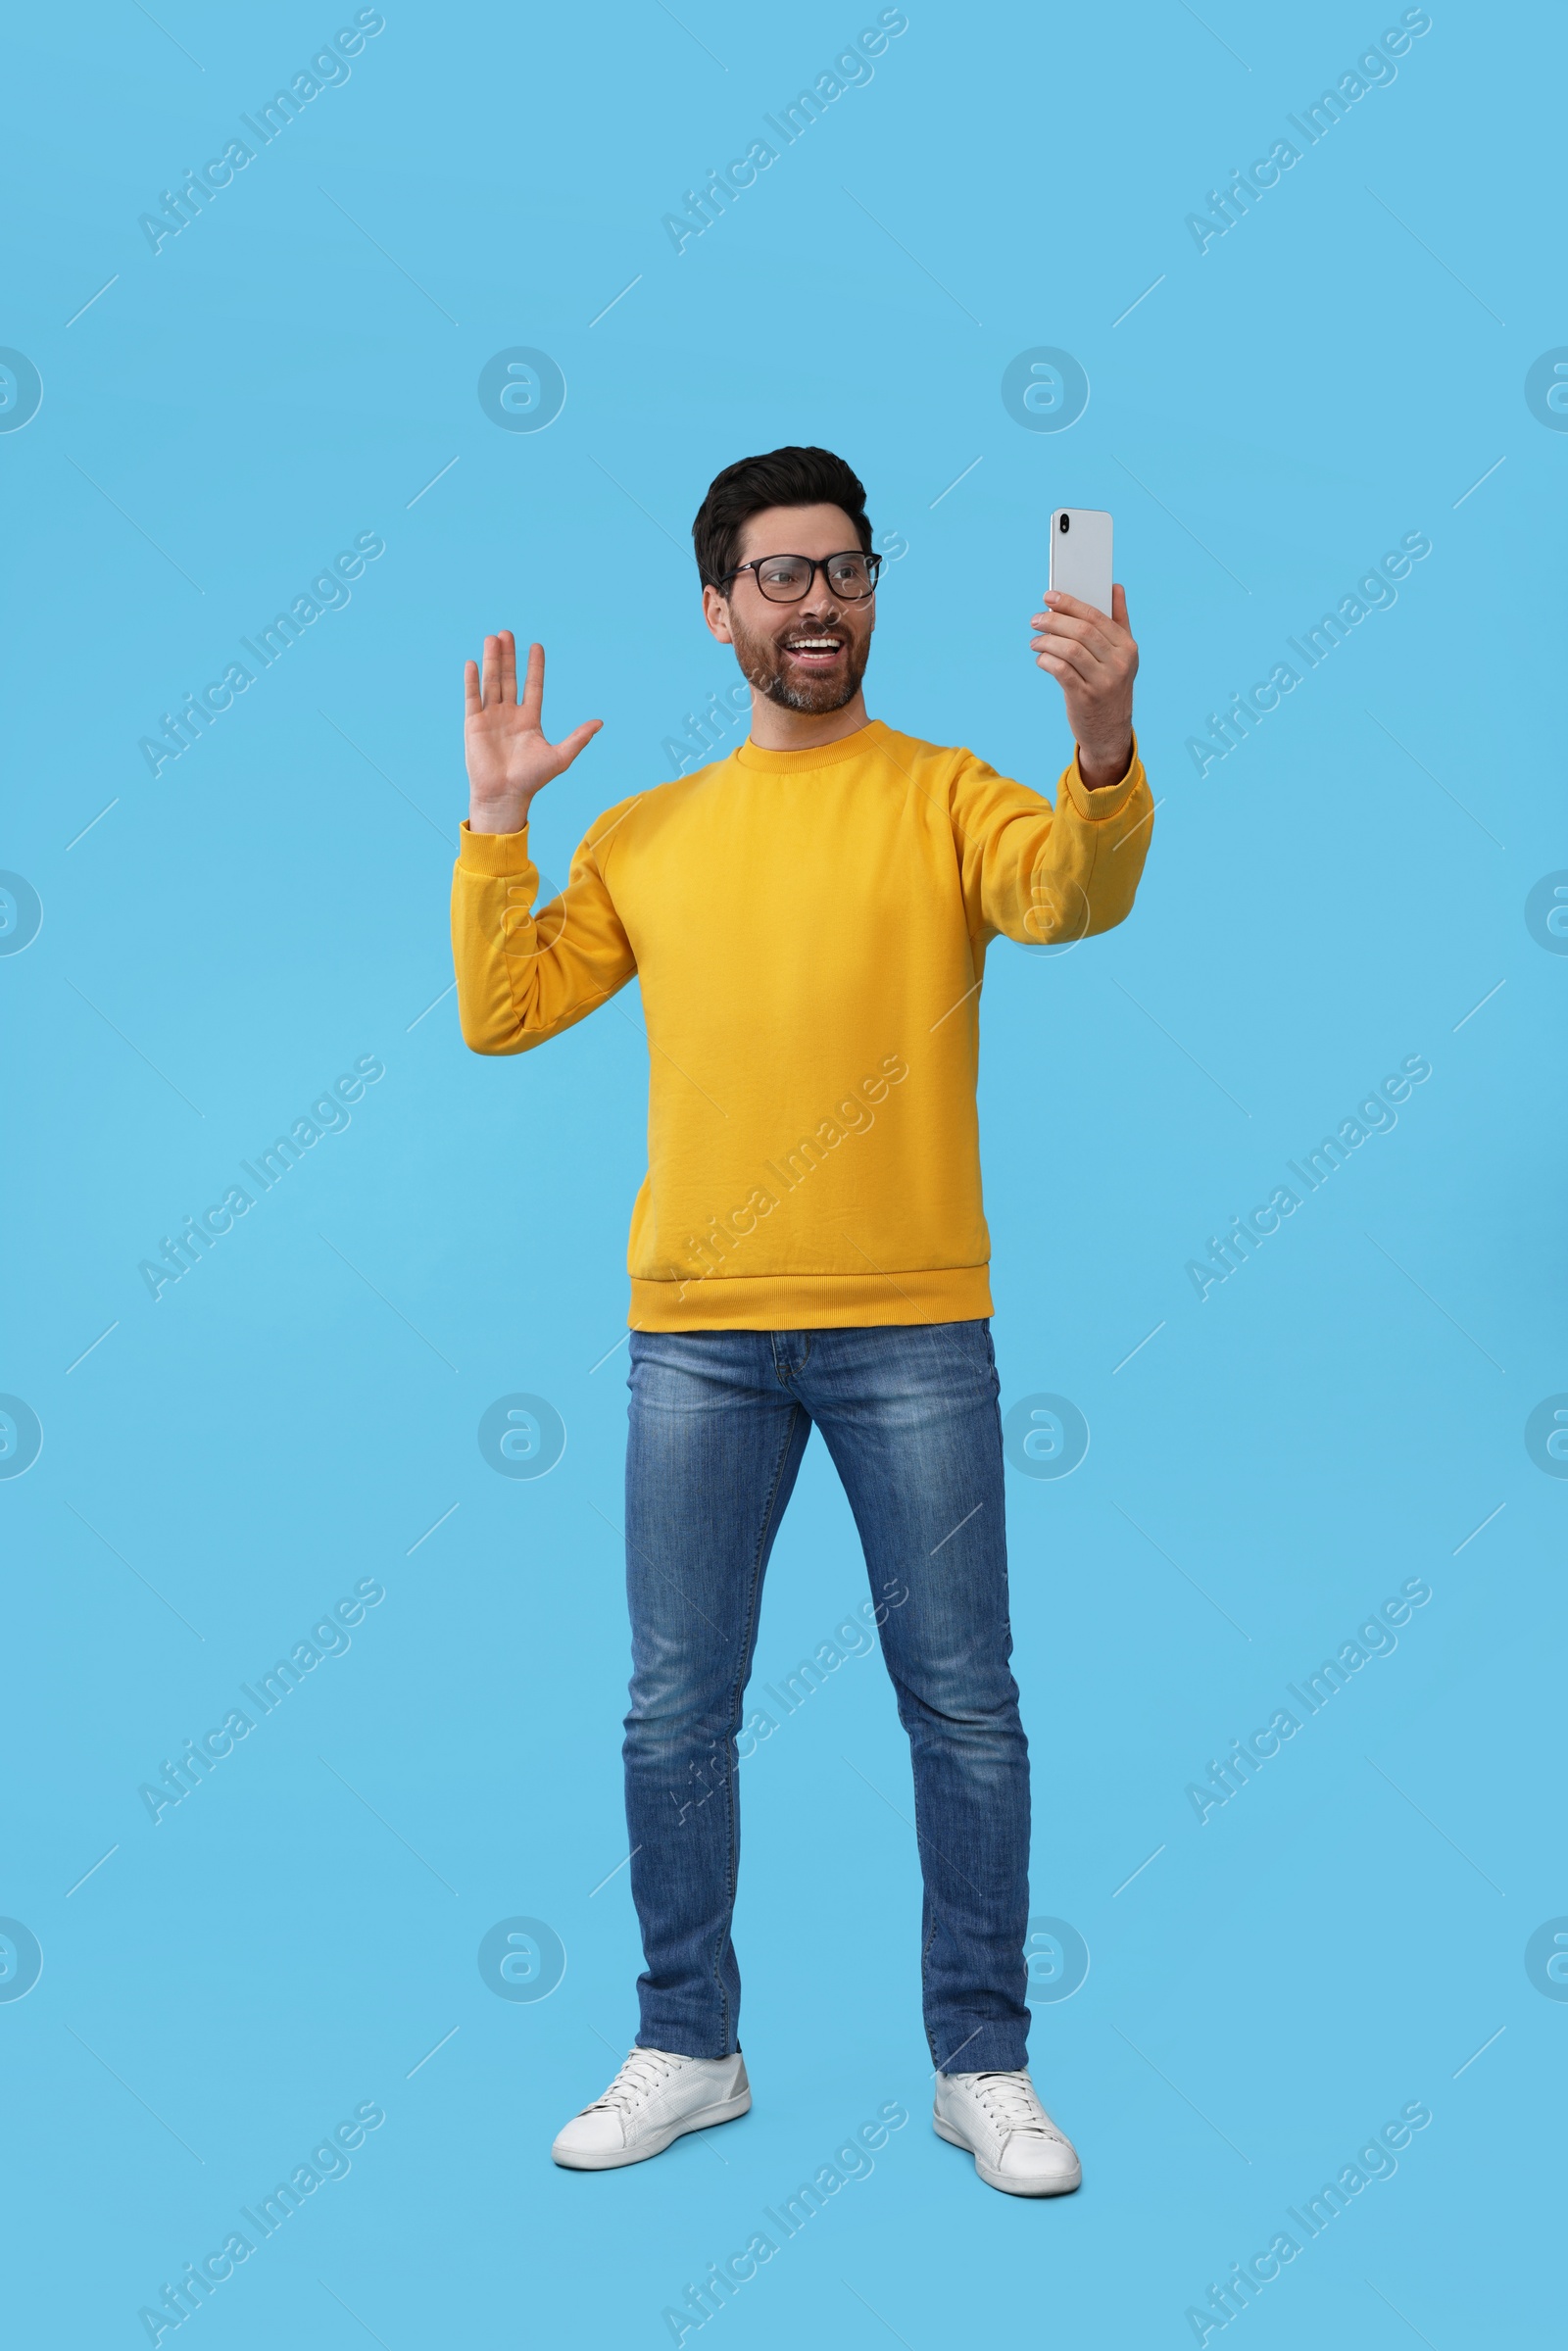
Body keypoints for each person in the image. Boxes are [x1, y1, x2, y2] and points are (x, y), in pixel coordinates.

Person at [450, 446, 1152, 2196]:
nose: (816, 601)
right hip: (697, 1333)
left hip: (916, 1323)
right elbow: (504, 1009)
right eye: (779, 574)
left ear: (871, 592)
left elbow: (1074, 895)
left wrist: (1105, 741)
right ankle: (689, 2045)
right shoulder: (648, 831)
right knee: (675, 1710)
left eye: (842, 569)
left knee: (965, 1703)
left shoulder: (950, 796)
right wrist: (497, 821)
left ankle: (981, 2063)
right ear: (718, 607)